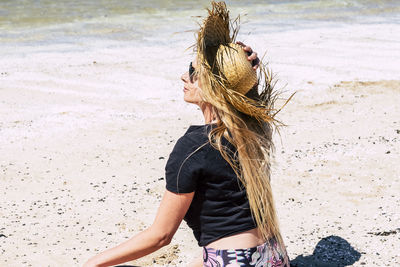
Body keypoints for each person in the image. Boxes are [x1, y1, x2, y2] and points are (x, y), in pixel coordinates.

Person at [83, 1, 290, 266]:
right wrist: (242, 64)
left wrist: (93, 262)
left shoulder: (193, 148)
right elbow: (245, 90)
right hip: (273, 256)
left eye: (193, 72)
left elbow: (161, 236)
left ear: (214, 88)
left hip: (233, 261)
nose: (184, 76)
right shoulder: (255, 129)